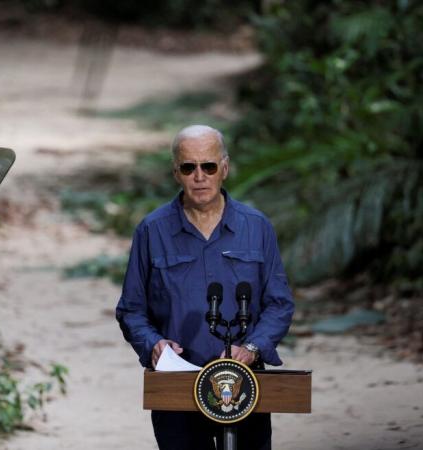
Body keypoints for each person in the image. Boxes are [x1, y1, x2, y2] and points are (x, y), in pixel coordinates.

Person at [116, 124, 294, 450]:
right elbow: (131, 309)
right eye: (189, 167)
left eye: (208, 166)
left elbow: (279, 303)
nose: (200, 176)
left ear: (224, 169)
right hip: (177, 383)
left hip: (244, 382)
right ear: (176, 173)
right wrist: (153, 344)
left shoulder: (256, 227)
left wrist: (252, 348)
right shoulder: (152, 230)